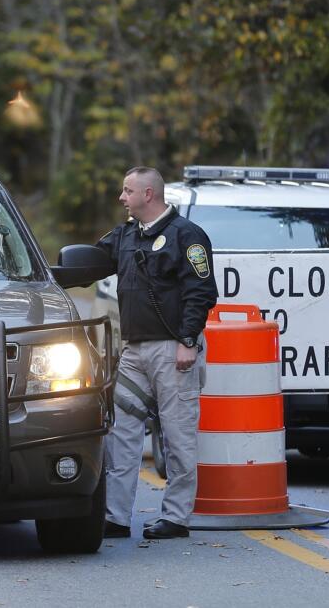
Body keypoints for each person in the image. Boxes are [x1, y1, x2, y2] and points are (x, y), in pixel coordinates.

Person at [96, 166, 219, 539]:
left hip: (173, 351)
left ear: (148, 194)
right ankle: (116, 516)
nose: (121, 197)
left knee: (178, 435)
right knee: (121, 432)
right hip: (134, 352)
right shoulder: (126, 236)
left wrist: (187, 341)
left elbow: (202, 292)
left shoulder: (188, 237)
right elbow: (89, 261)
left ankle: (176, 517)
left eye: (127, 191)